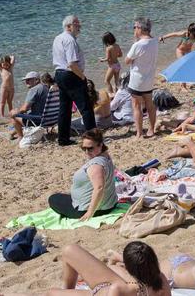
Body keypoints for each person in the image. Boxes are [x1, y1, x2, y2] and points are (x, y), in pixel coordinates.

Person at [49, 241, 170, 296]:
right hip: (114, 285)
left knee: (50, 293)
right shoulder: (160, 280)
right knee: (69, 250)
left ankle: (67, 290)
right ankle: (67, 290)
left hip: (100, 291)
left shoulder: (119, 289)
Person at [49, 129, 118, 221]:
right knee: (62, 196)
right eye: (83, 148)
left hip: (90, 209)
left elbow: (99, 188)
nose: (86, 152)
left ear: (100, 145)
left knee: (53, 198)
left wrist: (90, 212)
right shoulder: (105, 155)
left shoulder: (95, 166)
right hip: (109, 204)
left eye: (90, 148)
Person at [53, 15, 94, 147]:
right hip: (71, 75)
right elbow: (72, 64)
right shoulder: (70, 40)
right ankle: (93, 138)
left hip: (59, 74)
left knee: (64, 108)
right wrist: (82, 77)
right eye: (77, 24)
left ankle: (63, 139)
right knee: (86, 107)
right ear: (69, 26)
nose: (79, 27)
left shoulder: (58, 38)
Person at [124, 17, 159, 139]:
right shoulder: (154, 41)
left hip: (137, 80)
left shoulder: (138, 45)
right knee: (150, 104)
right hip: (149, 79)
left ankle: (139, 133)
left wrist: (135, 42)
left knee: (136, 106)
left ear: (140, 28)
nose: (134, 29)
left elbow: (127, 61)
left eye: (135, 27)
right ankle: (151, 129)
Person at [7, 72, 49, 139]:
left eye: (29, 80)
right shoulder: (46, 87)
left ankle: (20, 137)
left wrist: (16, 111)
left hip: (39, 120)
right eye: (25, 80)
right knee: (23, 114)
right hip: (51, 118)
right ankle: (11, 134)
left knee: (13, 115)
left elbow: (25, 108)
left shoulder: (34, 90)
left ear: (37, 80)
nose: (26, 82)